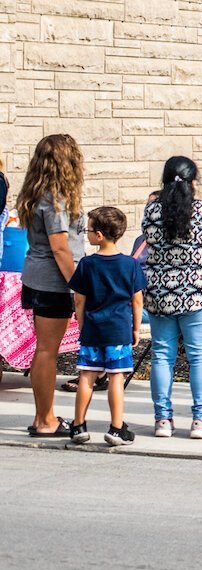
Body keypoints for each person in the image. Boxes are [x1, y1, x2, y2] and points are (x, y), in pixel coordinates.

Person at [142, 155, 202, 439]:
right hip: (197, 293)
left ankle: (162, 420)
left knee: (162, 356)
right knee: (199, 356)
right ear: (193, 182)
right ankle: (201, 421)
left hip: (159, 294)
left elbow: (148, 241)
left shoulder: (152, 211)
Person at [15, 134, 87, 437]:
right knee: (47, 351)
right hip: (53, 283)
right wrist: (78, 285)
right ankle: (45, 420)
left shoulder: (38, 192)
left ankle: (45, 417)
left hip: (39, 278)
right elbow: (60, 248)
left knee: (46, 350)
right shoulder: (55, 197)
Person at [65, 206, 145, 446]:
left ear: (99, 235)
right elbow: (137, 299)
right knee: (116, 378)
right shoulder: (130, 265)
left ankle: (78, 425)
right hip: (118, 329)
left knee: (86, 376)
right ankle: (117, 428)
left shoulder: (88, 264)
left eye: (88, 230)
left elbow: (79, 299)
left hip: (92, 329)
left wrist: (81, 324)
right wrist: (136, 328)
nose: (86, 233)